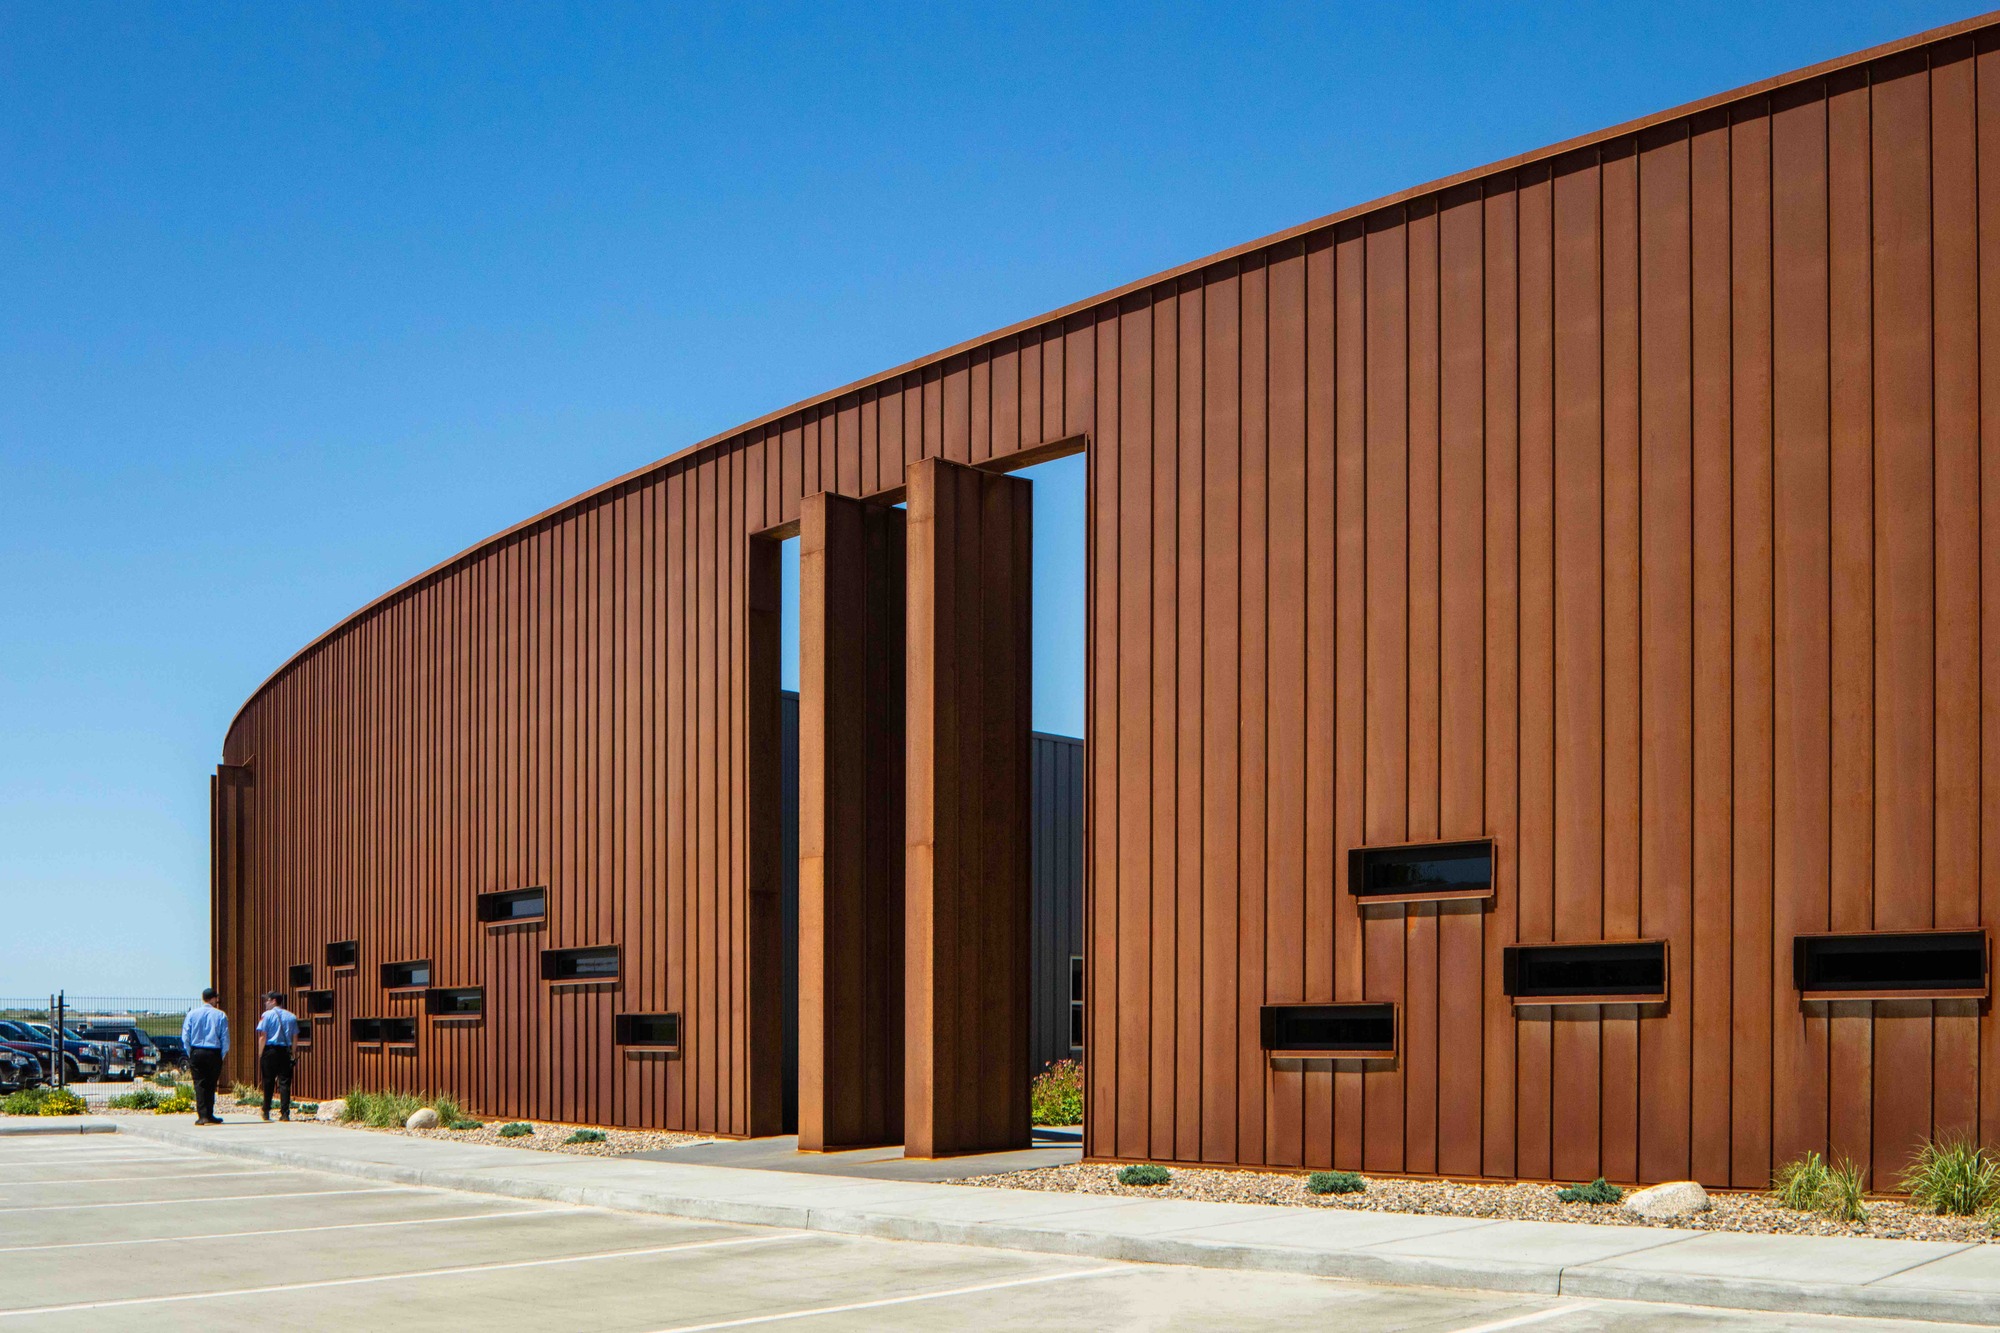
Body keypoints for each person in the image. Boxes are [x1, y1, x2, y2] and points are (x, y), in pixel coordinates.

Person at [181, 989, 230, 1125]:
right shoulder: (220, 1015)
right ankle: (210, 1113)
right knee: (211, 1084)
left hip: (197, 1051)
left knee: (199, 1084)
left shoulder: (192, 1014)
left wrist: (190, 1052)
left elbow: (185, 1036)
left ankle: (202, 1115)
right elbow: (225, 1038)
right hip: (214, 1052)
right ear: (213, 999)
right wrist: (221, 1055)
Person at [254, 990, 299, 1121]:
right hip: (285, 1051)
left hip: (270, 1051)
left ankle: (266, 1110)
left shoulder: (266, 1015)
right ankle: (285, 1113)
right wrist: (293, 1053)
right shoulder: (291, 1016)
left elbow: (263, 1036)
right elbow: (295, 1037)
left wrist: (260, 1053)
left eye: (267, 1000)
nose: (265, 1003)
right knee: (285, 1082)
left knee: (268, 1081)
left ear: (274, 1001)